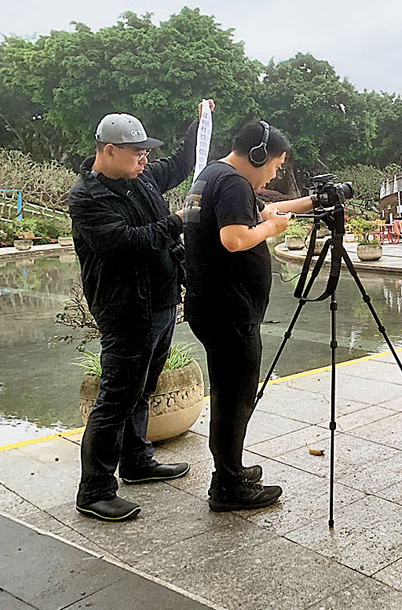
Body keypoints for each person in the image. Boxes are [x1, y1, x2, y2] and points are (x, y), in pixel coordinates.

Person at [69, 102, 211, 521]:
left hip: (161, 301)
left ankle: (137, 461)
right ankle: (94, 489)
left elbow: (184, 163)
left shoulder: (142, 175)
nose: (144, 160)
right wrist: (178, 221)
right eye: (136, 153)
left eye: (146, 152)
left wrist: (200, 123)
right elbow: (123, 243)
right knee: (116, 397)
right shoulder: (87, 197)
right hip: (125, 308)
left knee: (144, 387)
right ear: (109, 150)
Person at [184, 120, 315, 512]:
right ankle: (227, 485)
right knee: (234, 398)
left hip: (213, 306)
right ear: (257, 155)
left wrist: (312, 203)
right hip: (229, 310)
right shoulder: (233, 183)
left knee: (230, 393)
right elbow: (235, 237)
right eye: (275, 165)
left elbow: (267, 209)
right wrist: (272, 229)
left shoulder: (215, 176)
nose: (275, 174)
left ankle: (231, 469)